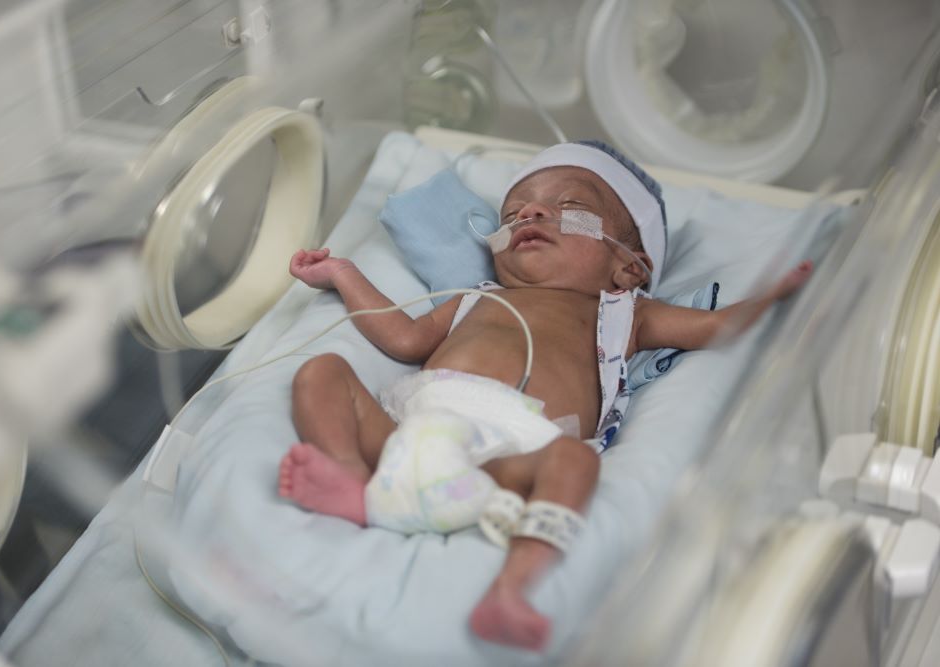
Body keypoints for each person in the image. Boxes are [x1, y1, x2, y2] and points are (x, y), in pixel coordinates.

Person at [277, 141, 812, 652]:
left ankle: (511, 588)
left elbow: (718, 327)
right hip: (410, 425)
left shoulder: (625, 313)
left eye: (572, 208)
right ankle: (352, 481)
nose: (529, 215)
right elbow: (402, 337)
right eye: (511, 217)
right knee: (322, 372)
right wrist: (343, 274)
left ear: (628, 267)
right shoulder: (475, 298)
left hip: (511, 451)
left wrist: (775, 294)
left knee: (574, 461)